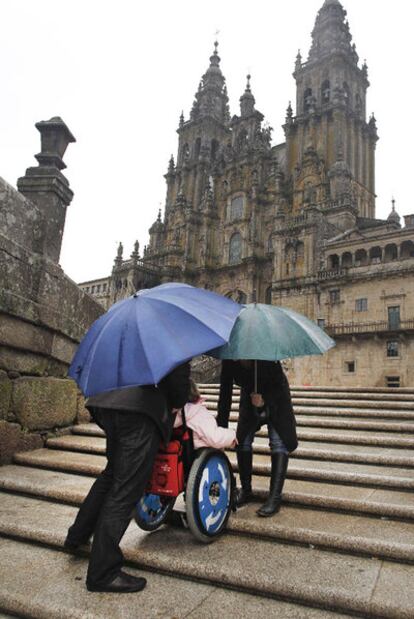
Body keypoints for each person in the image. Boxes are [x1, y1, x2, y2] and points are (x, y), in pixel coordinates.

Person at [64, 361, 191, 593]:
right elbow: (179, 384)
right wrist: (177, 402)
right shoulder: (173, 330)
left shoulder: (130, 329)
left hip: (107, 402)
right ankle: (103, 573)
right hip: (139, 410)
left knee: (111, 475)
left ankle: (77, 536)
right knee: (126, 489)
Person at [217, 359, 297, 517]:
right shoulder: (229, 359)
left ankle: (274, 497)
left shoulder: (265, 356)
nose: (237, 359)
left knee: (278, 443)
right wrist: (220, 430)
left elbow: (278, 383)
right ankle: (246, 491)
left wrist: (264, 401)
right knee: (242, 442)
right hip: (249, 398)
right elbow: (225, 394)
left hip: (276, 399)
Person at [174, 378, 236, 449]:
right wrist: (232, 435)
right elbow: (215, 438)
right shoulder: (197, 412)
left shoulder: (171, 414)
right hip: (196, 454)